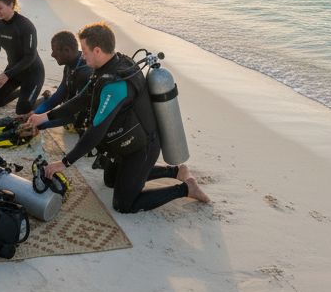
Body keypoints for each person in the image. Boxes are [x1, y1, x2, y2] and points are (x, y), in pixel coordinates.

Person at [26, 22, 209, 213]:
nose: (82, 54)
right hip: (123, 144)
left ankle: (186, 188)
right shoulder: (111, 64)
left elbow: (96, 131)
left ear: (97, 50)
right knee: (110, 181)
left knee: (123, 205)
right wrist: (45, 116)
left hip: (141, 147)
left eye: (85, 50)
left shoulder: (115, 85)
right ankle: (176, 171)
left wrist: (64, 163)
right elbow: (82, 99)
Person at [32, 30, 93, 132]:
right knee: (32, 111)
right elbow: (59, 96)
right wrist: (35, 114)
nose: (52, 54)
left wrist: (41, 124)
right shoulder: (70, 65)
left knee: (35, 121)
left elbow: (76, 114)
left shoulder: (86, 72)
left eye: (54, 50)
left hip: (81, 118)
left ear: (66, 50)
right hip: (68, 108)